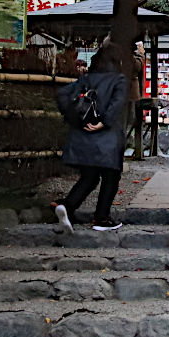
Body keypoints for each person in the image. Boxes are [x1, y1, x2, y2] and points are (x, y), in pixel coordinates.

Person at [53, 43, 128, 233]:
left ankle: (67, 207)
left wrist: (75, 120)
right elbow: (117, 103)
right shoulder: (118, 79)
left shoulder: (86, 79)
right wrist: (104, 121)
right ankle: (101, 217)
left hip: (83, 136)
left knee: (89, 176)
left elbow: (62, 94)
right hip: (107, 139)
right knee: (111, 177)